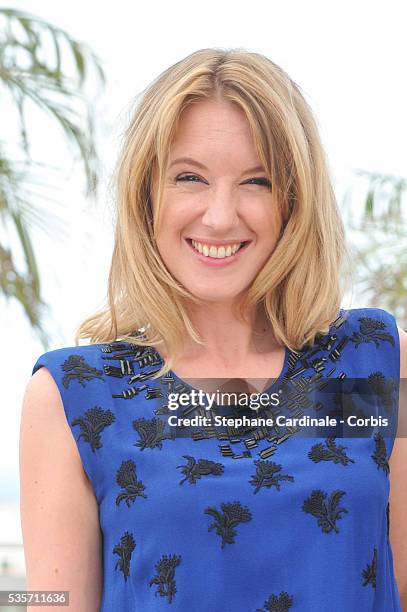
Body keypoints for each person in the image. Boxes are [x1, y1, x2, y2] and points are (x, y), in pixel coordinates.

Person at [20, 47, 407, 611]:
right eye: (189, 177)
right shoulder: (75, 395)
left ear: (294, 201)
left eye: (257, 181)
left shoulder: (374, 362)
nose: (221, 216)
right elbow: (52, 603)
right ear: (146, 193)